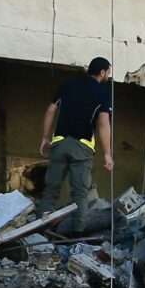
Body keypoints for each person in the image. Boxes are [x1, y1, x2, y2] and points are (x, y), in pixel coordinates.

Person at [40, 56, 116, 236]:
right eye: (108, 73)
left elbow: (51, 109)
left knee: (51, 190)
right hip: (82, 147)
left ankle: (40, 231)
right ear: (102, 72)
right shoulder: (102, 93)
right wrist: (107, 153)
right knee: (80, 194)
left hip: (59, 143)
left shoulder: (68, 84)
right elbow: (103, 123)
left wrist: (45, 137)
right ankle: (76, 238)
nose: (108, 76)